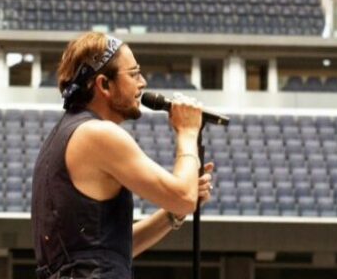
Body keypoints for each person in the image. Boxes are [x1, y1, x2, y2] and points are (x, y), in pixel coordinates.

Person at [32, 32, 215, 279]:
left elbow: (110, 252)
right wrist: (188, 132)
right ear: (104, 85)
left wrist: (173, 214)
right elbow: (184, 197)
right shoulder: (98, 134)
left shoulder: (63, 137)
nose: (143, 83)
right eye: (134, 74)